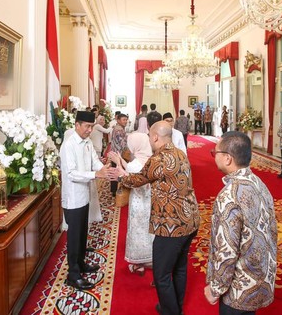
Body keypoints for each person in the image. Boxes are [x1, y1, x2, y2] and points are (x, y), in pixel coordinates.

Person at [115, 121, 200, 315]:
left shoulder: (159, 158)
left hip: (171, 225)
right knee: (179, 268)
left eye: (149, 137)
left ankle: (171, 311)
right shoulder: (180, 153)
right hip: (190, 220)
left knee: (161, 274)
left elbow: (137, 179)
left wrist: (121, 175)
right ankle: (175, 305)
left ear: (155, 137)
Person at [205, 131, 277, 315]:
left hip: (239, 288)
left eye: (215, 152)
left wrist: (215, 288)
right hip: (260, 278)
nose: (214, 156)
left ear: (228, 158)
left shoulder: (229, 196)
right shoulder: (259, 182)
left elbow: (226, 249)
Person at [59, 111, 114, 290]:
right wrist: (95, 174)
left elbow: (93, 162)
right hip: (73, 198)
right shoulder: (68, 145)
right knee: (74, 238)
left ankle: (81, 264)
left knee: (83, 233)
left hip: (84, 196)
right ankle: (73, 275)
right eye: (87, 126)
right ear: (77, 125)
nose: (90, 130)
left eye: (91, 126)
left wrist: (103, 169)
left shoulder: (88, 142)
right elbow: (71, 173)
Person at [108, 133, 154, 275]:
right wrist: (121, 160)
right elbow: (131, 171)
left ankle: (139, 263)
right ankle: (152, 258)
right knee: (150, 229)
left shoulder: (136, 164)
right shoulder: (152, 159)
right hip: (151, 200)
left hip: (139, 201)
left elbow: (129, 176)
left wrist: (119, 164)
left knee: (138, 230)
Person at [109, 113, 128, 197]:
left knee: (114, 171)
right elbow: (123, 145)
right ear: (118, 120)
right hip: (118, 155)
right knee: (118, 172)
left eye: (126, 119)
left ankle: (114, 191)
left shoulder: (117, 128)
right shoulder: (119, 130)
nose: (126, 121)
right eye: (124, 120)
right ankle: (117, 192)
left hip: (115, 153)